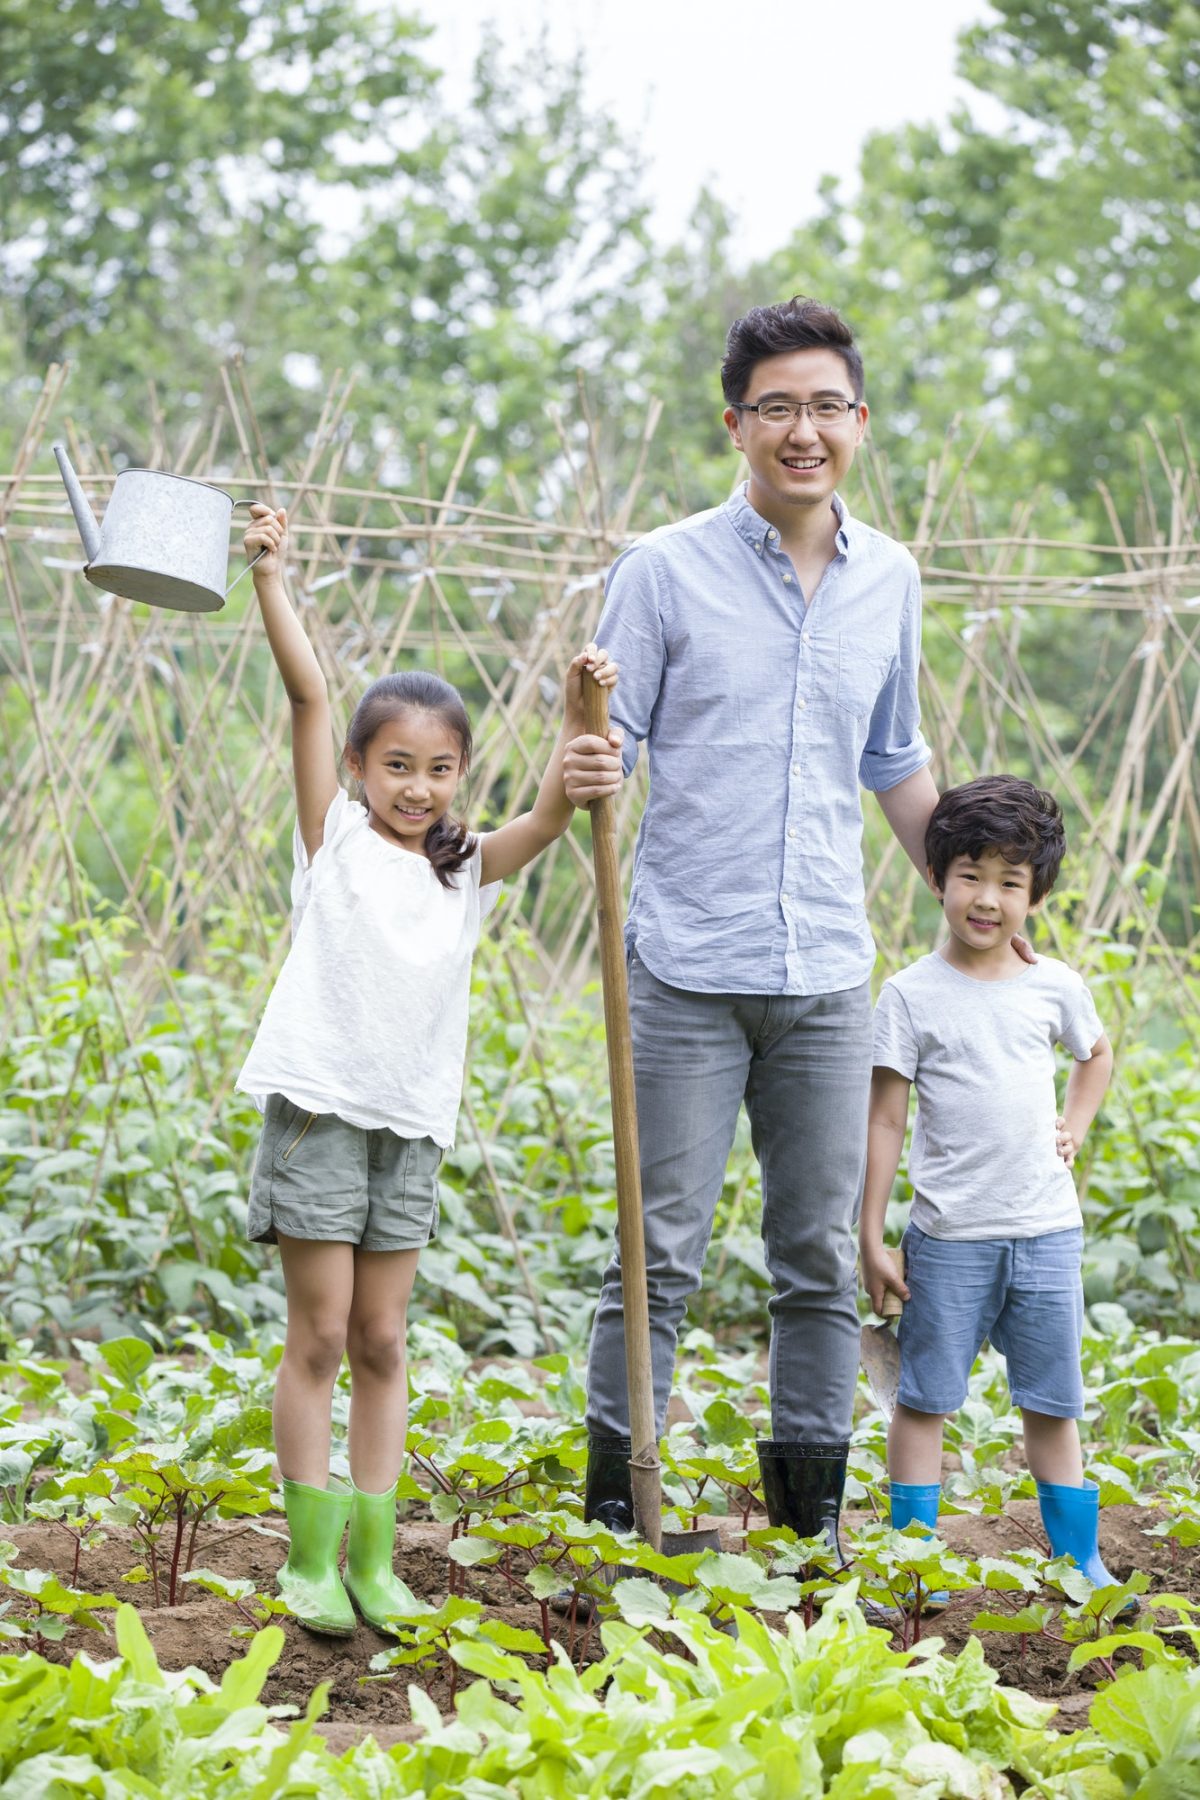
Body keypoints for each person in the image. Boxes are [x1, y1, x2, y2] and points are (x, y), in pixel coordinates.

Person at [562, 296, 941, 1556]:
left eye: (826, 406)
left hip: (827, 968)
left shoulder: (891, 579)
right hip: (682, 962)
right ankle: (626, 1511)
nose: (803, 430)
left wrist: (975, 901)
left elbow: (893, 759)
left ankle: (805, 1527)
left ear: (859, 424)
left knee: (820, 1260)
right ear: (736, 425)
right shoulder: (662, 571)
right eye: (776, 407)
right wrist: (590, 762)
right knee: (655, 1253)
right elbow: (604, 746)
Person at [236, 503, 619, 1636]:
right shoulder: (336, 842)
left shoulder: (465, 872)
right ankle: (308, 1560)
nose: (418, 786)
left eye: (439, 769)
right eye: (396, 765)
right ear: (356, 769)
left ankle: (373, 1559)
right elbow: (308, 693)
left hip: (410, 1126)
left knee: (383, 1341)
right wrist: (271, 577)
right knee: (317, 1334)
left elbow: (551, 812)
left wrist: (576, 714)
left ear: (459, 775)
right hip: (318, 1116)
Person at [859, 775, 1131, 1611]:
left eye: (1011, 883)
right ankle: (917, 1564)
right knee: (925, 1399)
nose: (989, 899)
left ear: (1034, 895)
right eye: (971, 875)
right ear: (937, 877)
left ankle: (1077, 1560)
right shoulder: (909, 994)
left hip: (1047, 1231)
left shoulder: (1052, 984)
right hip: (949, 1238)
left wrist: (1075, 1127)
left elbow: (1097, 1053)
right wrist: (872, 1234)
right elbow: (885, 1122)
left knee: (1053, 1402)